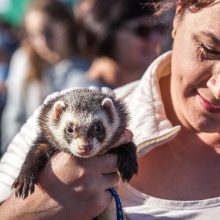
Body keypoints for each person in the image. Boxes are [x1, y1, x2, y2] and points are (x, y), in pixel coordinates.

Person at [1, 0, 220, 219]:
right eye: (210, 49)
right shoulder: (54, 110)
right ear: (178, 13)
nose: (218, 90)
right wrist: (27, 211)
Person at [1, 0, 104, 153]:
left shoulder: (86, 70)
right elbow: (13, 117)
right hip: (20, 153)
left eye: (48, 33)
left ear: (67, 27)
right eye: (34, 36)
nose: (42, 43)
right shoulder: (24, 60)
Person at [74, 0, 171, 88]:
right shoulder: (84, 95)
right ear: (105, 32)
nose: (156, 38)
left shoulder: (156, 88)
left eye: (159, 29)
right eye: (143, 30)